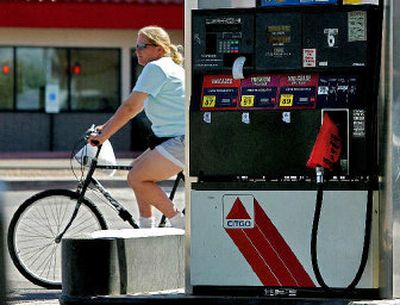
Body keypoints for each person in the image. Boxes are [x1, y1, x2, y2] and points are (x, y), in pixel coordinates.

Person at [88, 26, 185, 229]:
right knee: (136, 168)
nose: (137, 51)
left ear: (159, 49)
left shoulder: (156, 68)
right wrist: (104, 127)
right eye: (136, 46)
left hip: (179, 142)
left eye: (142, 46)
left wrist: (103, 137)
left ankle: (180, 224)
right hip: (177, 139)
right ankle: (145, 227)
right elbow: (136, 107)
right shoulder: (169, 67)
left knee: (137, 178)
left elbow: (130, 107)